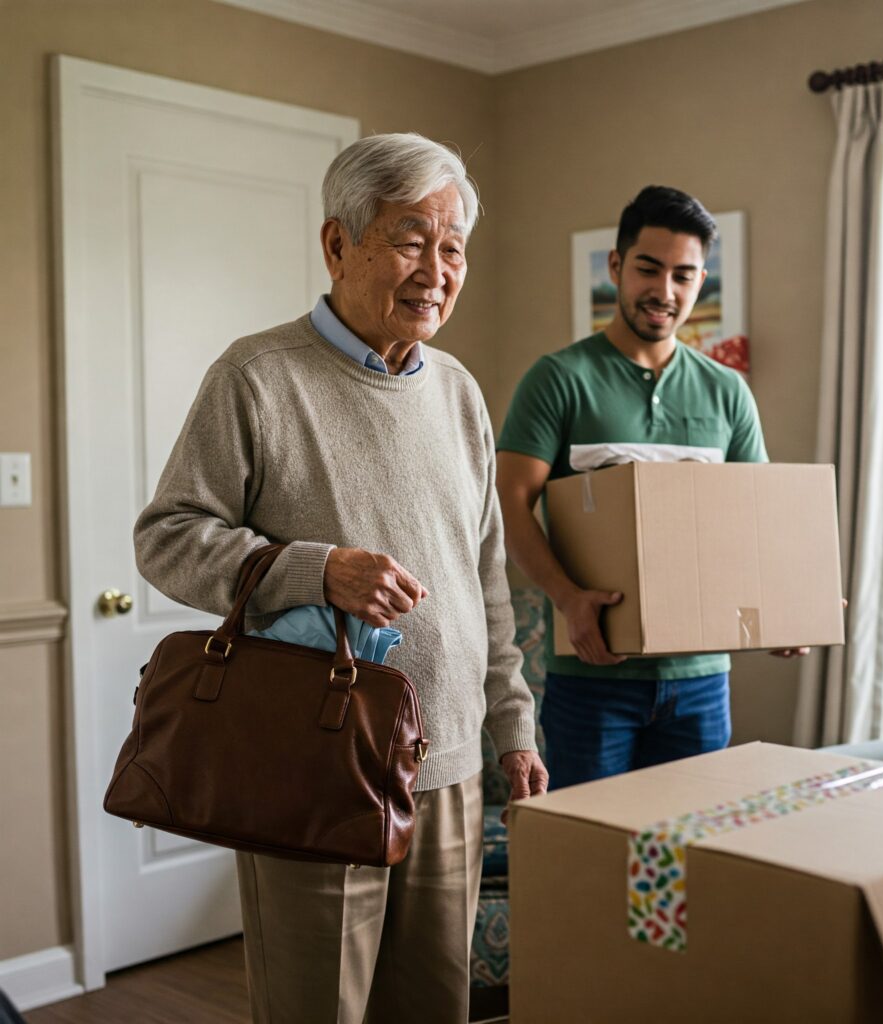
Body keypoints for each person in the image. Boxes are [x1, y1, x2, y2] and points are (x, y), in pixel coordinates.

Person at [134, 132, 547, 1024]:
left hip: (447, 766)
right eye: (410, 239)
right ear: (337, 243)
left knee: (435, 1005)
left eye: (453, 247)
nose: (436, 270)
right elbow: (167, 538)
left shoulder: (462, 394)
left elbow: (487, 581)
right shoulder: (256, 377)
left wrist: (512, 724)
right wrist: (313, 571)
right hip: (310, 767)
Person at [496, 185, 806, 791]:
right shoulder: (559, 379)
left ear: (701, 282)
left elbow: (757, 517)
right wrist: (567, 599)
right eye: (648, 268)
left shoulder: (726, 391)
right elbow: (508, 504)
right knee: (591, 853)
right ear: (616, 266)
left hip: (701, 681)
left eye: (684, 276)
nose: (665, 291)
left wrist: (790, 605)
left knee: (688, 849)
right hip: (592, 676)